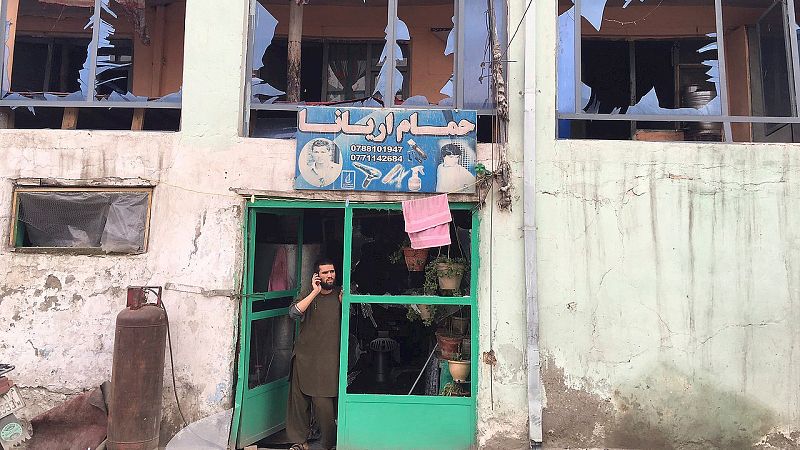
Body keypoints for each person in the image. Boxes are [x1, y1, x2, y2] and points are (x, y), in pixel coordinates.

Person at [287, 258, 343, 450]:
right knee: (298, 404)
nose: (330, 275)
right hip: (304, 358)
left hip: (328, 360)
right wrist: (314, 292)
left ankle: (329, 444)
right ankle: (300, 442)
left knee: (324, 406)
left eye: (332, 271)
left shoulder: (340, 296)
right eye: (326, 272)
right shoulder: (308, 294)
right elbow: (294, 314)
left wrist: (345, 304)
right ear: (317, 276)